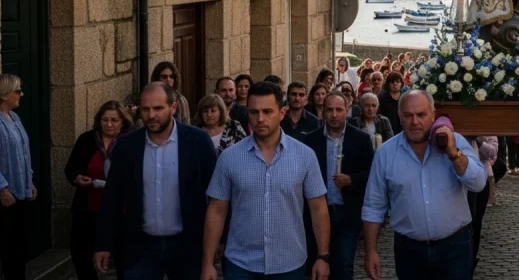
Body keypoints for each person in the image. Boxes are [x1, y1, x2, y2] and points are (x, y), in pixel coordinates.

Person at [202, 81, 331, 280]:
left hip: (289, 263)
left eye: (267, 112)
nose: (260, 119)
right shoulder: (230, 158)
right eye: (254, 112)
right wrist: (208, 263)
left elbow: (318, 208)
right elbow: (217, 210)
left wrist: (323, 256)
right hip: (241, 264)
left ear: (282, 113)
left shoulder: (304, 156)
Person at [95, 82, 218, 279]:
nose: (151, 115)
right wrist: (103, 243)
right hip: (141, 247)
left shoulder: (197, 141)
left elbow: (217, 197)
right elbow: (112, 197)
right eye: (145, 109)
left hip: (188, 246)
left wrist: (218, 244)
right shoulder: (127, 146)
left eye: (158, 108)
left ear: (173, 107)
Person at [362, 90, 487, 280]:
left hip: (455, 248)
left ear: (433, 114)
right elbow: (373, 206)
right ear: (399, 116)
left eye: (421, 115)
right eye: (408, 115)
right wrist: (370, 251)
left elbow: (478, 183)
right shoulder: (385, 153)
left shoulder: (455, 142)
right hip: (409, 251)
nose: (415, 122)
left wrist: (454, 154)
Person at [302, 92, 375, 280]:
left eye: (339, 110)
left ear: (347, 111)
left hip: (346, 213)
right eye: (330, 110)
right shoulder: (311, 141)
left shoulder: (360, 139)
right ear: (323, 112)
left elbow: (371, 173)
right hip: (317, 214)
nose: (334, 115)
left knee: (343, 266)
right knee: (316, 266)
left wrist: (351, 180)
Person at [65, 100, 133, 280]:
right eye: (105, 120)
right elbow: (71, 169)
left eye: (114, 120)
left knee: (124, 259)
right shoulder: (87, 140)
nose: (109, 124)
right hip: (88, 208)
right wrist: (78, 178)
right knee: (81, 254)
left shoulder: (131, 142)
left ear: (123, 122)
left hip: (121, 211)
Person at [0, 74, 38, 280]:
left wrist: (29, 180)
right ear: (3, 94)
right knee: (7, 247)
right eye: (17, 91)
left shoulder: (15, 118)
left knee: (18, 247)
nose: (21, 94)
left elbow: (24, 152)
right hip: (5, 196)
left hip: (20, 192)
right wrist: (2, 188)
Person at [468, 136, 499, 271]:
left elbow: (492, 152)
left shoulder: (485, 130)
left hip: (481, 178)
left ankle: (471, 259)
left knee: (476, 222)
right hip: (458, 179)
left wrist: (480, 141)